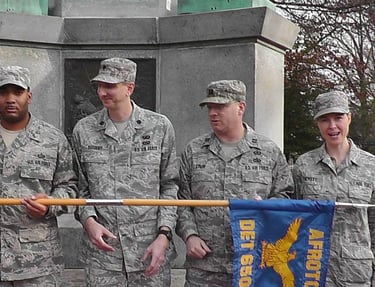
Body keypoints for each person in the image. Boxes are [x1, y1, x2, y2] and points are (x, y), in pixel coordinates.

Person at [72, 57, 178, 286]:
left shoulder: (159, 127)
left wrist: (164, 235)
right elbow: (80, 187)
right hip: (103, 256)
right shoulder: (84, 130)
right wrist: (88, 221)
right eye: (99, 86)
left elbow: (170, 185)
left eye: (110, 86)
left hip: (149, 252)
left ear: (129, 88)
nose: (102, 92)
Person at [176, 80, 294, 287]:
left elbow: (285, 196)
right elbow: (181, 200)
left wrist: (266, 211)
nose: (213, 113)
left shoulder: (268, 152)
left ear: (241, 107)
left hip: (253, 263)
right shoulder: (194, 150)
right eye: (210, 107)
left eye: (220, 107)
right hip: (205, 267)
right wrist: (189, 235)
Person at [0, 65, 77, 286]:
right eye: (3, 92)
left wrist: (50, 203)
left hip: (37, 261)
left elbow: (69, 186)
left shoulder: (52, 139)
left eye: (17, 92)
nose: (10, 99)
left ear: (29, 96)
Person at [292, 91, 375, 287]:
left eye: (338, 118)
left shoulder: (371, 166)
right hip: (312, 270)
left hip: (356, 272)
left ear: (349, 118)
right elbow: (292, 215)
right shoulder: (303, 165)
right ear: (317, 124)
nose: (332, 126)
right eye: (324, 120)